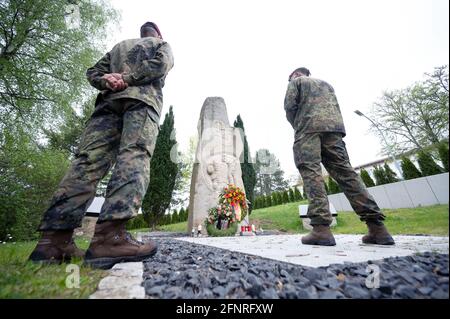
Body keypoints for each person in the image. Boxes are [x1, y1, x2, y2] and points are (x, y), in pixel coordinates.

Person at [29, 22, 174, 269]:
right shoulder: (161, 44)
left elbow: (93, 72)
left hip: (107, 107)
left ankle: (53, 241)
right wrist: (128, 79)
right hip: (140, 102)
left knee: (87, 162)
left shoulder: (119, 48)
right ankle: (110, 238)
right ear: (157, 34)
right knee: (134, 156)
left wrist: (108, 81)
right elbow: (161, 65)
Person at [284, 67, 395, 246]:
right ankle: (378, 229)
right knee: (347, 173)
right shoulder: (326, 84)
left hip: (308, 130)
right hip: (334, 131)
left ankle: (321, 230)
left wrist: (298, 125)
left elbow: (290, 108)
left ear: (295, 75)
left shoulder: (296, 82)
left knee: (312, 173)